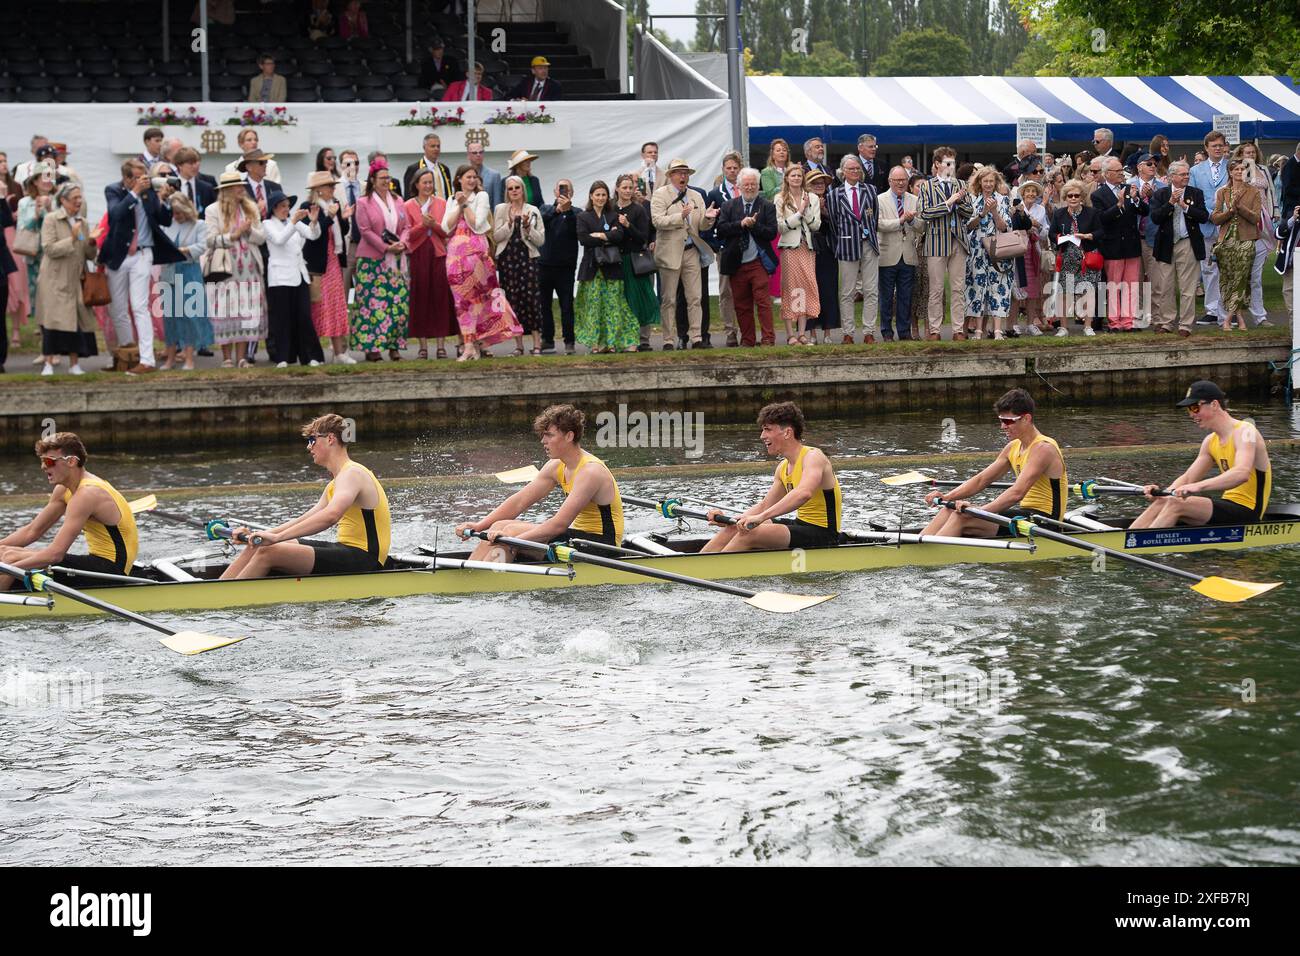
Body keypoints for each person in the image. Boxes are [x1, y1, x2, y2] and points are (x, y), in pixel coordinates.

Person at [222, 414, 392, 579]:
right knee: (257, 546)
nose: (309, 447)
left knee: (269, 551)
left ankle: (225, 602)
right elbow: (303, 519)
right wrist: (259, 535)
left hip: (367, 559)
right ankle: (219, 589)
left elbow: (331, 516)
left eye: (312, 440)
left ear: (330, 439)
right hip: (346, 550)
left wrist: (276, 538)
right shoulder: (334, 484)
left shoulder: (352, 473)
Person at [456, 404, 624, 562]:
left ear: (569, 436)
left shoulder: (590, 471)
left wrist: (512, 540)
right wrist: (479, 526)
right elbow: (519, 502)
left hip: (603, 545)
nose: (543, 441)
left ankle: (484, 582)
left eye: (549, 435)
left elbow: (558, 525)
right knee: (499, 525)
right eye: (543, 435)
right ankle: (473, 574)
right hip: (577, 536)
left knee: (508, 533)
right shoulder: (556, 466)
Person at [921, 388, 1067, 538]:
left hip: (1046, 522)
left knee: (961, 516)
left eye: (1008, 421)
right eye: (1001, 420)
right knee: (949, 509)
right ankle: (918, 548)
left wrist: (979, 512)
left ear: (1026, 418)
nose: (1003, 426)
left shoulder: (1043, 448)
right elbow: (981, 480)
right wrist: (947, 497)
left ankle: (926, 558)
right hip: (1026, 515)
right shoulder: (1013, 447)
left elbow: (1016, 493)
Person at [0, 433, 139, 587]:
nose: (43, 466)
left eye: (49, 461)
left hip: (112, 571)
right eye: (42, 461)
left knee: (10, 557)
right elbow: (32, 531)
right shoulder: (63, 489)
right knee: (4, 552)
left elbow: (55, 555)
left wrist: (7, 569)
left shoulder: (87, 494)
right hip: (94, 562)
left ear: (71, 461)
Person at [700, 401, 841, 553]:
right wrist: (733, 520)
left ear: (787, 432)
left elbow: (803, 493)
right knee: (736, 528)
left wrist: (760, 518)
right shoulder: (783, 467)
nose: (762, 436)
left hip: (825, 534)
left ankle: (716, 570)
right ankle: (696, 566)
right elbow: (764, 505)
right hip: (801, 525)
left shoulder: (813, 456)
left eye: (767, 430)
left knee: (750, 532)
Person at [1129, 381, 1271, 529]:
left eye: (1195, 407)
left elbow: (1241, 474)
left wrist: (1196, 487)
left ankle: (1142, 545)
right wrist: (1162, 493)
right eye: (1189, 410)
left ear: (1214, 404)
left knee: (1176, 504)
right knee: (1165, 500)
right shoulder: (1210, 441)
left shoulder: (1246, 431)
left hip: (1250, 511)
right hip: (1228, 507)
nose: (1191, 414)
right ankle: (1127, 537)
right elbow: (1188, 478)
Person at [101, 158, 182, 373]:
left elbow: (164, 220)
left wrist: (164, 199)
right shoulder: (113, 190)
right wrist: (134, 193)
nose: (144, 181)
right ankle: (127, 355)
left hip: (143, 253)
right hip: (119, 255)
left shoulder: (149, 192)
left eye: (144, 177)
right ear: (127, 178)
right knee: (117, 309)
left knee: (140, 306)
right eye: (138, 178)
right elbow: (115, 216)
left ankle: (147, 360)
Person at [443, 163, 522, 361]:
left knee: (481, 299)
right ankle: (468, 345)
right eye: (467, 177)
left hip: (476, 253)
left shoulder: (481, 197)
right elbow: (445, 227)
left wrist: (466, 205)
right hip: (455, 257)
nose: (471, 180)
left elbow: (477, 224)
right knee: (462, 302)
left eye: (474, 177)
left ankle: (482, 342)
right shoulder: (451, 199)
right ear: (459, 179)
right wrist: (458, 204)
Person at [34, 183, 100, 376]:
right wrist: (71, 239)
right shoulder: (51, 219)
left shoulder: (83, 222)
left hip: (76, 280)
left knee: (75, 323)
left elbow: (88, 254)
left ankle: (74, 364)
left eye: (80, 198)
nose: (78, 202)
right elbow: (49, 249)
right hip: (54, 280)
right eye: (74, 198)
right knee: (52, 322)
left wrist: (92, 242)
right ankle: (48, 363)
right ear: (63, 200)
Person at [651, 158, 717, 350]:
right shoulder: (660, 195)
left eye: (685, 173)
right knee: (669, 299)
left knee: (695, 297)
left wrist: (708, 218)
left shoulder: (696, 196)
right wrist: (679, 216)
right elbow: (657, 221)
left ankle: (696, 337)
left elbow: (701, 225)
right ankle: (668, 339)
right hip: (669, 252)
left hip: (691, 252)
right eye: (679, 172)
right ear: (671, 176)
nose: (683, 176)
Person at [204, 173, 267, 368]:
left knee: (246, 311)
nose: (241, 189)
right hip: (225, 267)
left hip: (249, 267)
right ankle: (226, 358)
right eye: (237, 186)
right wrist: (234, 235)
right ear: (227, 190)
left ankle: (241, 358)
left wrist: (249, 231)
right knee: (226, 310)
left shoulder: (250, 207)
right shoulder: (213, 210)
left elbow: (262, 238)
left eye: (241, 186)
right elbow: (210, 239)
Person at [350, 160, 409, 362]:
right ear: (373, 181)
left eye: (388, 177)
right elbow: (365, 231)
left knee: (397, 303)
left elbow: (406, 227)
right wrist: (385, 247)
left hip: (396, 261)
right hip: (371, 261)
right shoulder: (363, 202)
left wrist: (402, 242)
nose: (386, 181)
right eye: (382, 178)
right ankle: (371, 347)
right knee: (372, 306)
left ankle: (394, 346)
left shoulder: (399, 200)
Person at [575, 178, 640, 354]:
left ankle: (611, 343)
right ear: (591, 196)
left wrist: (599, 235)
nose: (601, 198)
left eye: (604, 194)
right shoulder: (582, 216)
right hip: (591, 268)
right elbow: (583, 239)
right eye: (598, 194)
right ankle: (596, 344)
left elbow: (619, 236)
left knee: (614, 306)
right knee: (594, 307)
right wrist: (607, 235)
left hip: (612, 268)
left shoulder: (612, 215)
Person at [716, 167, 777, 347]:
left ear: (758, 186)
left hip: (758, 262)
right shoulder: (729, 206)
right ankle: (748, 340)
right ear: (739, 186)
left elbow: (771, 233)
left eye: (753, 184)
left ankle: (768, 339)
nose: (750, 187)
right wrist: (741, 224)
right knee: (742, 305)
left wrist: (754, 225)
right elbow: (721, 230)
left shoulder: (767, 206)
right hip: (737, 263)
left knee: (763, 302)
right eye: (746, 184)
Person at [1149, 161, 1210, 338]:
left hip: (1187, 242)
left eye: (1187, 174)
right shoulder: (1161, 194)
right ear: (1172, 177)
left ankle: (1186, 324)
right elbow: (1156, 217)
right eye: (1182, 174)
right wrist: (1170, 203)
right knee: (1165, 285)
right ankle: (1166, 322)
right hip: (1166, 244)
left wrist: (1186, 207)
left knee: (1188, 287)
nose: (1186, 177)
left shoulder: (1195, 193)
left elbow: (1204, 216)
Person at [264, 191, 325, 367]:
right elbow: (279, 240)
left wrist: (314, 222)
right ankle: (283, 357)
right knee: (283, 319)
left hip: (299, 275)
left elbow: (313, 235)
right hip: (280, 278)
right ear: (274, 208)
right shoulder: (267, 224)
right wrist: (293, 222)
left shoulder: (295, 224)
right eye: (283, 206)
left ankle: (311, 356)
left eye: (288, 206)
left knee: (304, 317)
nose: (286, 209)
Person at [918, 147, 972, 341]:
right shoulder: (926, 186)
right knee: (936, 289)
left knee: (958, 287)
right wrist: (948, 203)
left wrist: (959, 202)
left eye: (953, 163)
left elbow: (969, 211)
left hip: (957, 241)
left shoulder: (961, 184)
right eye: (947, 163)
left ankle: (958, 329)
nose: (951, 166)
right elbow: (924, 213)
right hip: (935, 241)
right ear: (937, 165)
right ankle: (935, 329)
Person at [401, 168, 456, 360]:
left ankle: (441, 346)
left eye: (430, 182)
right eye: (424, 182)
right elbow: (407, 234)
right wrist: (422, 225)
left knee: (440, 298)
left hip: (438, 253)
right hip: (418, 255)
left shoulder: (441, 203)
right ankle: (422, 347)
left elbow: (447, 232)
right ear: (416, 184)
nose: (428, 186)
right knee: (421, 299)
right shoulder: (407, 206)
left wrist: (434, 226)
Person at [302, 170, 355, 364]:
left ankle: (339, 352)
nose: (333, 189)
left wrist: (343, 218)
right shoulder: (308, 206)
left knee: (336, 305)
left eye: (333, 186)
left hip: (333, 260)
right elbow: (313, 234)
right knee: (318, 306)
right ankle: (314, 354)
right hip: (317, 264)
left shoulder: (335, 205)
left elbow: (343, 231)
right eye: (330, 186)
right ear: (319, 189)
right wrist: (328, 217)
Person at [826, 154, 879, 343]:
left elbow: (875, 218)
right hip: (847, 245)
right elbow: (833, 223)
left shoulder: (871, 190)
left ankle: (869, 331)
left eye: (858, 168)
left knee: (871, 289)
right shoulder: (834, 195)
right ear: (843, 172)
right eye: (851, 169)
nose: (855, 171)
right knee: (847, 291)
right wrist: (840, 243)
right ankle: (848, 332)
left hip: (869, 244)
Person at [1091, 156, 1147, 332]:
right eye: (1117, 171)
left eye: (1122, 171)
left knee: (1131, 286)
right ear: (1107, 174)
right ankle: (1114, 322)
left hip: (1131, 245)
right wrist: (1119, 205)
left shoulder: (1128, 188)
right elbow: (1101, 219)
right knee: (1114, 286)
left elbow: (1145, 211)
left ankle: (1128, 321)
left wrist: (1137, 199)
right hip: (1112, 246)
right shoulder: (1098, 195)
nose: (1121, 174)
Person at [493, 175, 546, 356]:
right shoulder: (500, 209)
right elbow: (496, 237)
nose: (514, 191)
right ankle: (519, 345)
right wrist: (509, 224)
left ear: (523, 189)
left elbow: (540, 240)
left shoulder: (532, 210)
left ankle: (537, 343)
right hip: (508, 260)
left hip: (527, 259)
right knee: (512, 300)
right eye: (510, 188)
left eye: (517, 187)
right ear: (506, 192)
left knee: (531, 300)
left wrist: (527, 227)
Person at [1207, 159, 1261, 332]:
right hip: (1226, 241)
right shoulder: (1222, 192)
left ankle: (1228, 318)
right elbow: (1215, 218)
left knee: (1242, 277)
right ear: (1230, 172)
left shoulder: (1253, 192)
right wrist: (1230, 211)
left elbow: (1255, 218)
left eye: (1242, 169)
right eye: (1236, 169)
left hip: (1246, 240)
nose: (1239, 172)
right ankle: (1239, 316)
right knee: (1228, 279)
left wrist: (1240, 207)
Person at [158, 193, 211, 371]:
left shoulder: (199, 225)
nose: (177, 217)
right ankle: (170, 358)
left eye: (179, 213)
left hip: (190, 271)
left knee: (190, 315)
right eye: (174, 213)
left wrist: (184, 249)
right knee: (170, 316)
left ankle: (189, 359)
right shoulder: (167, 224)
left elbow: (203, 246)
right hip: (169, 272)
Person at [961, 166, 1013, 339]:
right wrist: (983, 213)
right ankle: (978, 330)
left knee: (999, 287)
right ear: (979, 182)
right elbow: (968, 226)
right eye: (985, 181)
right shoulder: (972, 199)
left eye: (991, 181)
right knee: (976, 288)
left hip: (998, 250)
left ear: (996, 182)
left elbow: (1005, 227)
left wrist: (994, 212)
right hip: (976, 250)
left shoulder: (1003, 199)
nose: (988, 184)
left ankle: (997, 330)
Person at [1048, 178, 1103, 337]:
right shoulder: (1059, 213)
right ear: (1065, 197)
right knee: (1064, 293)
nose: (1073, 198)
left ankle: (1087, 326)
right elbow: (1052, 234)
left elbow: (1101, 232)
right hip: (1067, 258)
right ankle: (1063, 327)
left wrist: (1088, 235)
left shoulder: (1092, 213)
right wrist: (1061, 237)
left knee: (1088, 292)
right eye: (1070, 195)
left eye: (1077, 196)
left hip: (1087, 257)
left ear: (1082, 197)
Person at [774, 164, 821, 344]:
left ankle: (801, 333)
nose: (796, 178)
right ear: (786, 178)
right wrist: (798, 213)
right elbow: (780, 226)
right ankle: (790, 334)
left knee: (806, 288)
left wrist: (806, 210)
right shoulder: (779, 199)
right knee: (791, 289)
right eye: (792, 175)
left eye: (799, 176)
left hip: (807, 248)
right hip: (789, 248)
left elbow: (816, 225)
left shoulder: (812, 198)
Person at [1189, 131, 1230, 326]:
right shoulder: (1196, 171)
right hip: (1205, 224)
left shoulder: (1233, 167)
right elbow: (1193, 196)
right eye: (1214, 146)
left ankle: (1229, 311)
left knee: (1229, 268)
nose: (1218, 148)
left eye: (1220, 145)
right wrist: (1210, 214)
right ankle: (1212, 310)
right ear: (1206, 148)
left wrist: (1224, 214)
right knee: (1208, 268)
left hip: (1229, 224)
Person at [1234, 141, 1276, 328]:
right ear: (1241, 154)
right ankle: (1233, 313)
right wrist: (1247, 167)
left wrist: (1275, 212)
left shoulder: (1264, 169)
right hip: (1244, 223)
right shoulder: (1239, 171)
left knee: (1256, 275)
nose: (1250, 155)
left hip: (1264, 221)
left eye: (1252, 152)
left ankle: (1260, 316)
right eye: (1246, 152)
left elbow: (1271, 191)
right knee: (1239, 273)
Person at [611, 172, 658, 338]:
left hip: (634, 259)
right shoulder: (610, 208)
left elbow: (642, 238)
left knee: (639, 298)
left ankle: (642, 337)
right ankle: (621, 336)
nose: (627, 190)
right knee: (620, 300)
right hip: (615, 260)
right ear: (617, 189)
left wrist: (628, 225)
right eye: (624, 187)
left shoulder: (638, 210)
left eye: (630, 187)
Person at [876, 165, 918, 341]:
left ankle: (904, 331)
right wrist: (900, 221)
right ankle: (886, 331)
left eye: (904, 180)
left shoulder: (914, 200)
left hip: (908, 254)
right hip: (887, 254)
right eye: (897, 180)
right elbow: (878, 224)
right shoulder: (879, 199)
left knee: (905, 296)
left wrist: (912, 220)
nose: (900, 183)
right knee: (886, 297)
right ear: (890, 181)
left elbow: (923, 226)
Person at [707, 150, 744, 346]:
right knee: (726, 291)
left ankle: (747, 331)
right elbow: (709, 223)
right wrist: (716, 245)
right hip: (725, 248)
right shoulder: (715, 193)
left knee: (746, 289)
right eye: (728, 168)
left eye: (735, 168)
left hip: (747, 247)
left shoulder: (748, 188)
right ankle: (730, 331)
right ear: (723, 169)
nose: (731, 171)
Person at [538, 179, 579, 354]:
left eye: (567, 189)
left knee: (567, 305)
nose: (564, 192)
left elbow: (575, 231)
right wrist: (557, 210)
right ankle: (547, 339)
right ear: (555, 192)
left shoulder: (577, 213)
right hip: (545, 264)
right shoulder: (545, 209)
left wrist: (567, 212)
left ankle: (569, 340)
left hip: (565, 267)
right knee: (544, 305)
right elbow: (541, 222)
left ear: (572, 193)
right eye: (561, 189)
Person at [1009, 179, 1048, 336]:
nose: (1031, 194)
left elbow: (1045, 232)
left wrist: (1036, 226)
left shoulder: (1041, 209)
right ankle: (1013, 324)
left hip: (1033, 250)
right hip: (1018, 250)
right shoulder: (1016, 208)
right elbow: (1013, 226)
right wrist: (1028, 225)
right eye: (1028, 191)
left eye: (1033, 191)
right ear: (1023, 193)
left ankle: (1031, 323)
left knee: (1032, 290)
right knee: (1017, 290)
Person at [807, 169, 842, 343]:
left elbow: (839, 224)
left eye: (822, 183)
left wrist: (824, 211)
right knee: (811, 291)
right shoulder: (804, 201)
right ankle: (812, 333)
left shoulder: (832, 200)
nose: (819, 185)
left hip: (828, 250)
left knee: (828, 291)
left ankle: (828, 333)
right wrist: (815, 209)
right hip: (810, 250)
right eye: (815, 183)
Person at [403, 133, 452, 199]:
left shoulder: (445, 169)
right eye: (432, 146)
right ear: (424, 147)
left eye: (438, 146)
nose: (436, 149)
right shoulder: (414, 169)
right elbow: (409, 196)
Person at [173, 147, 216, 219]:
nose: (195, 166)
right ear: (180, 165)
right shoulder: (172, 187)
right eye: (191, 163)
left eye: (196, 162)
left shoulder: (206, 188)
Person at [1274, 201, 1298, 319]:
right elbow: (1278, 234)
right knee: (1291, 306)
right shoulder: (1292, 216)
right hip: (1291, 265)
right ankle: (1295, 336)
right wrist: (1293, 218)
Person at [466, 141, 503, 209]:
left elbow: (497, 204)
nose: (478, 155)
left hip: (488, 217)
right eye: (474, 153)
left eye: (481, 152)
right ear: (468, 155)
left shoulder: (494, 176)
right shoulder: (463, 175)